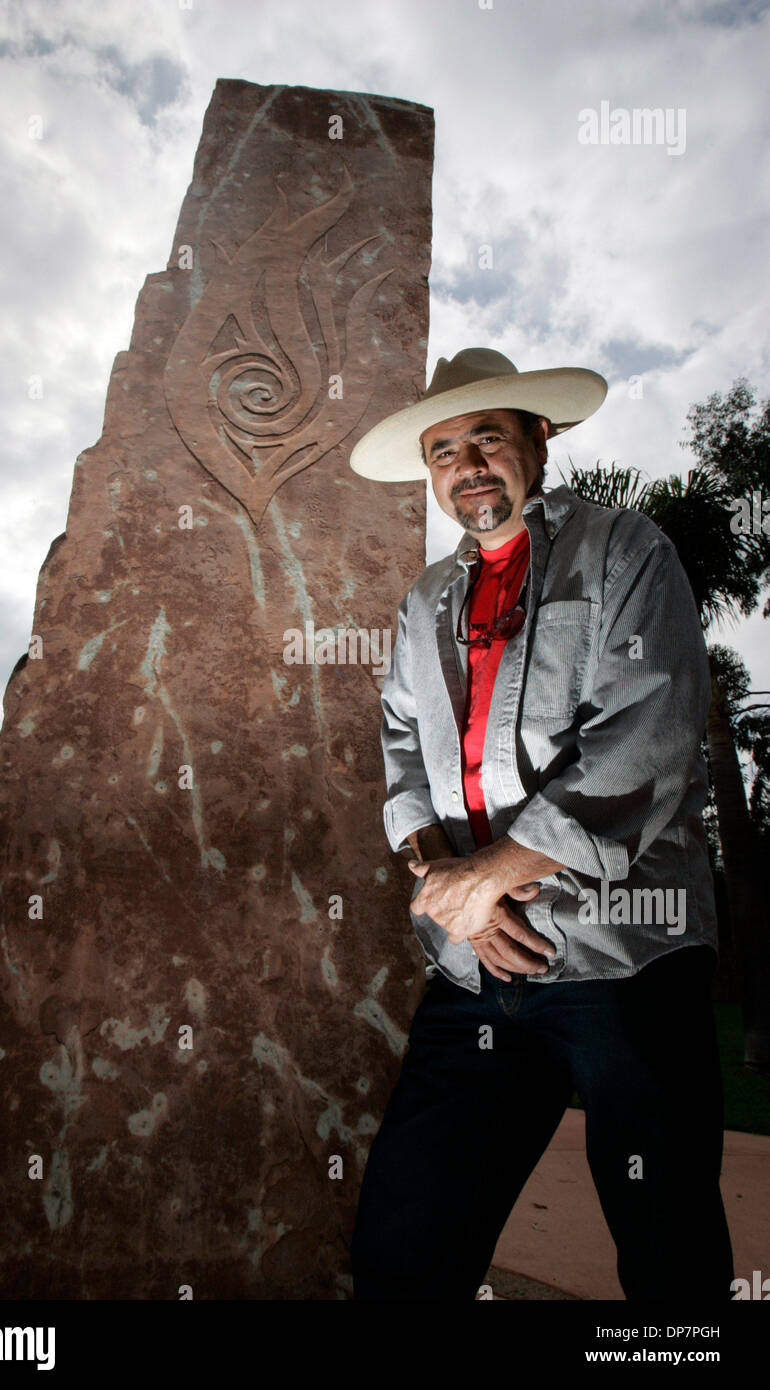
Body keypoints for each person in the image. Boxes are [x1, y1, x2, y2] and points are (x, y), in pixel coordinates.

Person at [347, 348, 734, 1301]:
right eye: (444, 450)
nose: (467, 464)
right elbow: (401, 758)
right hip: (476, 962)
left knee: (666, 1245)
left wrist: (488, 876)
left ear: (539, 438)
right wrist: (452, 887)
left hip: (625, 956)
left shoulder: (627, 552)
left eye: (488, 437)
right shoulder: (424, 602)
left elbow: (646, 744)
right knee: (405, 1244)